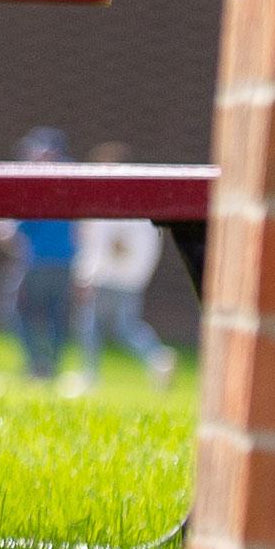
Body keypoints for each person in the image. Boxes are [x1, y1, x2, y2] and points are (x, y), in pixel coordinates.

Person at [74, 145, 179, 390]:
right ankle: (157, 357)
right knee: (125, 327)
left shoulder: (106, 199)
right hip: (132, 277)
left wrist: (84, 274)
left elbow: (96, 241)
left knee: (90, 324)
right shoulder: (143, 204)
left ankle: (89, 376)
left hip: (104, 276)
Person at [0, 125, 79, 393]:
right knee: (55, 318)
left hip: (36, 262)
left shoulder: (38, 181)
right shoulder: (75, 181)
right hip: (66, 263)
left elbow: (13, 235)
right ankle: (49, 368)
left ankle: (36, 364)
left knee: (12, 310)